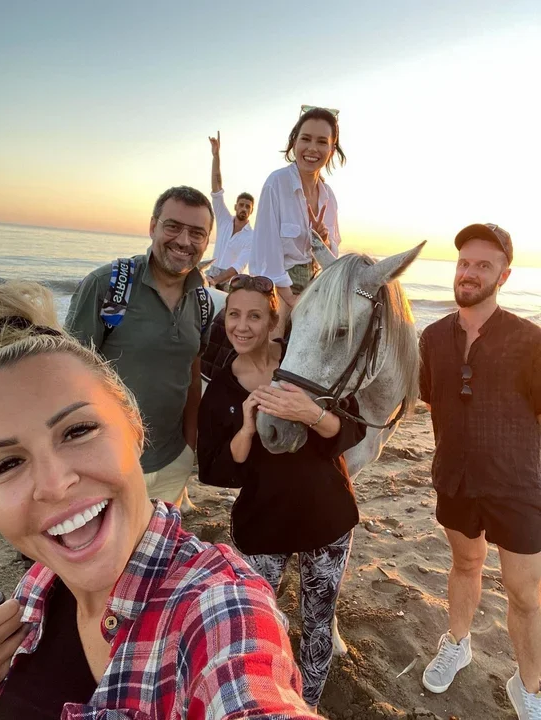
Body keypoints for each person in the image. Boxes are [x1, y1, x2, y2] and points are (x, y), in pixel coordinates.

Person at [0, 280, 322, 720]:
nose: (54, 485)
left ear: (135, 428)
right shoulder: (39, 584)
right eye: (5, 465)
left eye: (78, 431)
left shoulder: (220, 609)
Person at [197, 274, 365, 709]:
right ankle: (264, 701)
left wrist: (311, 413)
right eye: (234, 315)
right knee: (256, 623)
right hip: (262, 525)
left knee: (318, 623)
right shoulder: (221, 388)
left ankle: (308, 705)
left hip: (327, 517)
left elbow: (353, 428)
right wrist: (246, 431)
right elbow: (214, 469)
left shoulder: (304, 360)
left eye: (255, 316)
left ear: (274, 322)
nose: (242, 326)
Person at [419, 224, 541, 719]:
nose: (469, 273)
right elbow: (432, 400)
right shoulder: (432, 337)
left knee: (526, 593)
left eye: (483, 265)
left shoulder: (531, 340)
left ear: (504, 276)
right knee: (465, 564)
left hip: (518, 485)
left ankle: (529, 684)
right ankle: (458, 642)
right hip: (455, 478)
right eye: (464, 263)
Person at [65, 186, 213, 507]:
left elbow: (191, 375)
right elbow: (68, 380)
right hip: (111, 464)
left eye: (197, 233)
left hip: (173, 462)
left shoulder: (202, 300)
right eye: (173, 226)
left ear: (206, 241)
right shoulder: (108, 285)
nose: (184, 241)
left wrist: (188, 448)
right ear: (153, 226)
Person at [248, 107, 345, 336]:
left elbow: (332, 257)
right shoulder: (277, 183)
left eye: (322, 142)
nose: (312, 148)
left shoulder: (328, 196)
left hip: (312, 284)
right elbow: (267, 250)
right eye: (306, 139)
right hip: (274, 284)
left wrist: (323, 241)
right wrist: (289, 297)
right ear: (294, 142)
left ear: (332, 149)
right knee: (275, 338)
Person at [207, 131, 254, 290]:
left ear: (251, 211)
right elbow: (217, 189)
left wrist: (216, 281)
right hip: (212, 273)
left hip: (230, 281)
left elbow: (239, 266)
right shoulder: (224, 220)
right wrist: (216, 156)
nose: (244, 208)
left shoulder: (251, 236)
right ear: (235, 206)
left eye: (248, 206)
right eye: (241, 205)